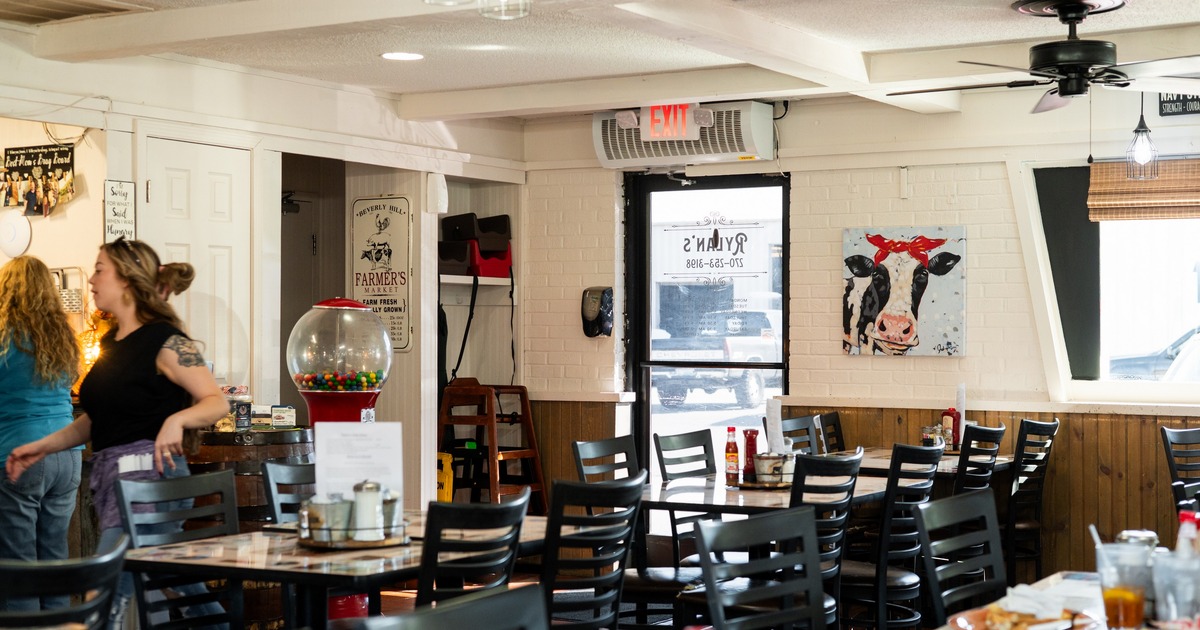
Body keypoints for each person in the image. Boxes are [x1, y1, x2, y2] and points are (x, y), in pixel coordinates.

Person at [6, 237, 228, 628]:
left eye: (99, 269)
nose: (91, 280)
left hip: (152, 481)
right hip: (115, 484)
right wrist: (42, 446)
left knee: (104, 590)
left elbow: (215, 401)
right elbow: (97, 419)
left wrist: (176, 421)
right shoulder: (112, 342)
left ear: (125, 279)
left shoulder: (167, 340)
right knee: (173, 584)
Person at [0, 256, 82, 613]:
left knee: (19, 567)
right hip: (68, 454)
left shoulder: (4, 335)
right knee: (54, 560)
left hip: (21, 455)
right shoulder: (62, 334)